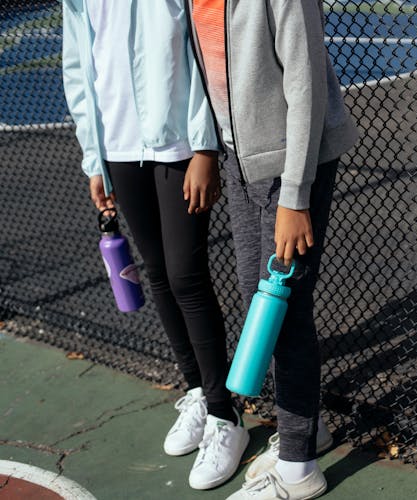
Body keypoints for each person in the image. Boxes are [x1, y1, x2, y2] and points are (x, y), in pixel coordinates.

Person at [61, 0, 248, 490]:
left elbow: (203, 49)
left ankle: (225, 415)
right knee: (158, 272)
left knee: (187, 274)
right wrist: (93, 158)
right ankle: (195, 391)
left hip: (179, 144)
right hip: (117, 146)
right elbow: (78, 69)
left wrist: (206, 147)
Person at [186, 0, 359, 498]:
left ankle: (298, 470)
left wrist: (294, 196)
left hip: (288, 165)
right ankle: (307, 428)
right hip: (242, 158)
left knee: (281, 309)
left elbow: (305, 84)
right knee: (256, 296)